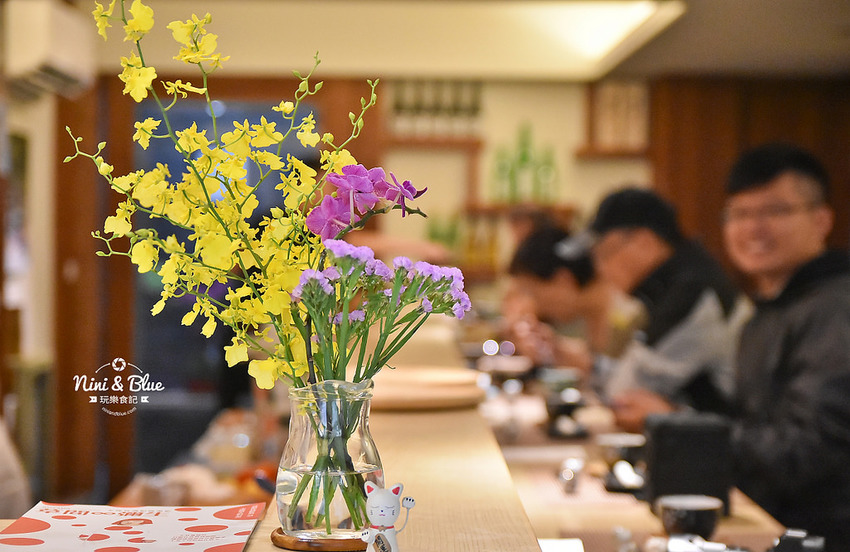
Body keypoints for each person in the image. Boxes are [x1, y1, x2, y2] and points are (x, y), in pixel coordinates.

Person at [722, 143, 850, 550]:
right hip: (775, 527)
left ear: (821, 220)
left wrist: (696, 435)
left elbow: (809, 451)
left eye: (774, 211)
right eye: (739, 214)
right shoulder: (771, 308)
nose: (753, 228)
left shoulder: (836, 308)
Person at [570, 188, 750, 431]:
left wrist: (590, 368)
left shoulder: (692, 294)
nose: (600, 269)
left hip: (725, 443)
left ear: (644, 242)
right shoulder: (674, 284)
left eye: (604, 254)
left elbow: (623, 395)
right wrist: (587, 364)